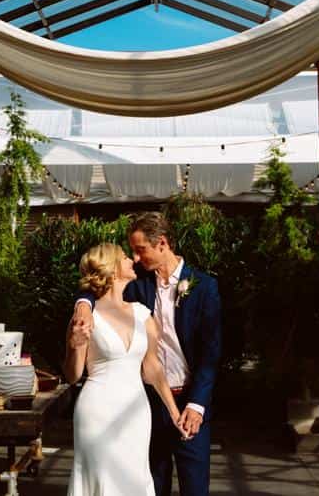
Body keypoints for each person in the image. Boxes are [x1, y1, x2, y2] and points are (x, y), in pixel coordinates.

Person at [72, 212, 222, 496]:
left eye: (140, 249)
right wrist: (83, 303)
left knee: (196, 488)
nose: (136, 258)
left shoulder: (204, 288)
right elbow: (99, 282)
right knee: (151, 483)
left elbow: (210, 354)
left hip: (189, 403)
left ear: (162, 243)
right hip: (146, 404)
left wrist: (196, 405)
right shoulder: (137, 283)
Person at [65, 242, 184, 496]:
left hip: (136, 413)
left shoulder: (142, 313)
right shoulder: (85, 315)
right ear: (112, 268)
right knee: (102, 478)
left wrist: (174, 411)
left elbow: (152, 368)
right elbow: (73, 375)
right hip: (96, 411)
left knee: (134, 478)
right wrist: (75, 345)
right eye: (124, 256)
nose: (132, 259)